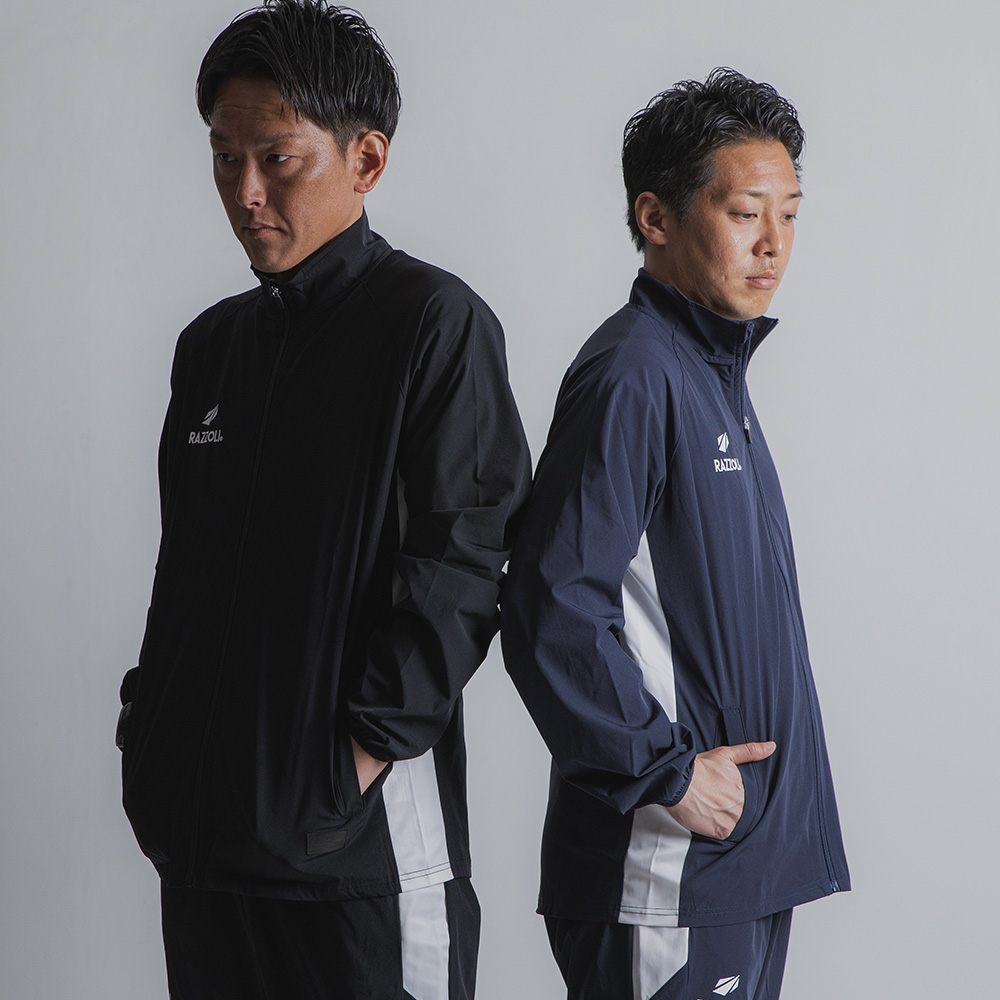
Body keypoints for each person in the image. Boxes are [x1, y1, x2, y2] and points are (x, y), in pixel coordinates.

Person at [116, 2, 531, 997]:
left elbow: (466, 561)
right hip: (204, 856)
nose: (245, 192)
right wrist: (152, 733)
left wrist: (350, 760)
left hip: (364, 870)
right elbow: (184, 574)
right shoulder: (212, 347)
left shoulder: (433, 323)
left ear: (366, 159)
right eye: (224, 158)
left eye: (276, 158)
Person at [501, 68, 850, 1000]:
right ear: (655, 218)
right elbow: (549, 607)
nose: (773, 244)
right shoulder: (633, 374)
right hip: (665, 865)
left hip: (738, 860)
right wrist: (666, 775)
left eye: (789, 215)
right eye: (744, 213)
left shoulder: (709, 374)